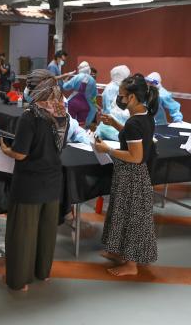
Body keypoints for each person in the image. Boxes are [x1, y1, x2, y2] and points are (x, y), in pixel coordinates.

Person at [0, 69, 69, 291]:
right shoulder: (62, 113)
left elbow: (21, 154)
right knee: (46, 232)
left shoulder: (31, 116)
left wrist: (6, 149)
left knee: (23, 233)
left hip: (29, 184)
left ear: (35, 88)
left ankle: (20, 280)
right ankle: (43, 272)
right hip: (53, 181)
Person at [95, 74, 159, 276]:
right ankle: (118, 252)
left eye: (121, 95)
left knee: (131, 218)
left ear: (131, 97)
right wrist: (115, 124)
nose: (119, 99)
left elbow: (135, 156)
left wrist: (107, 149)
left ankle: (131, 265)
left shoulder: (134, 123)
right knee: (122, 213)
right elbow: (134, 138)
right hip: (133, 175)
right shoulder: (145, 116)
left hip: (132, 176)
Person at [97, 65, 131, 141]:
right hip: (111, 124)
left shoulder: (115, 86)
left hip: (113, 123)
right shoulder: (113, 88)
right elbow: (110, 109)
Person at [62, 61, 97, 127]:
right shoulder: (92, 80)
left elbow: (65, 87)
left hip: (74, 102)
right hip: (87, 104)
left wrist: (65, 81)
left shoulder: (77, 77)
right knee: (82, 125)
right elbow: (94, 95)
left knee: (70, 122)